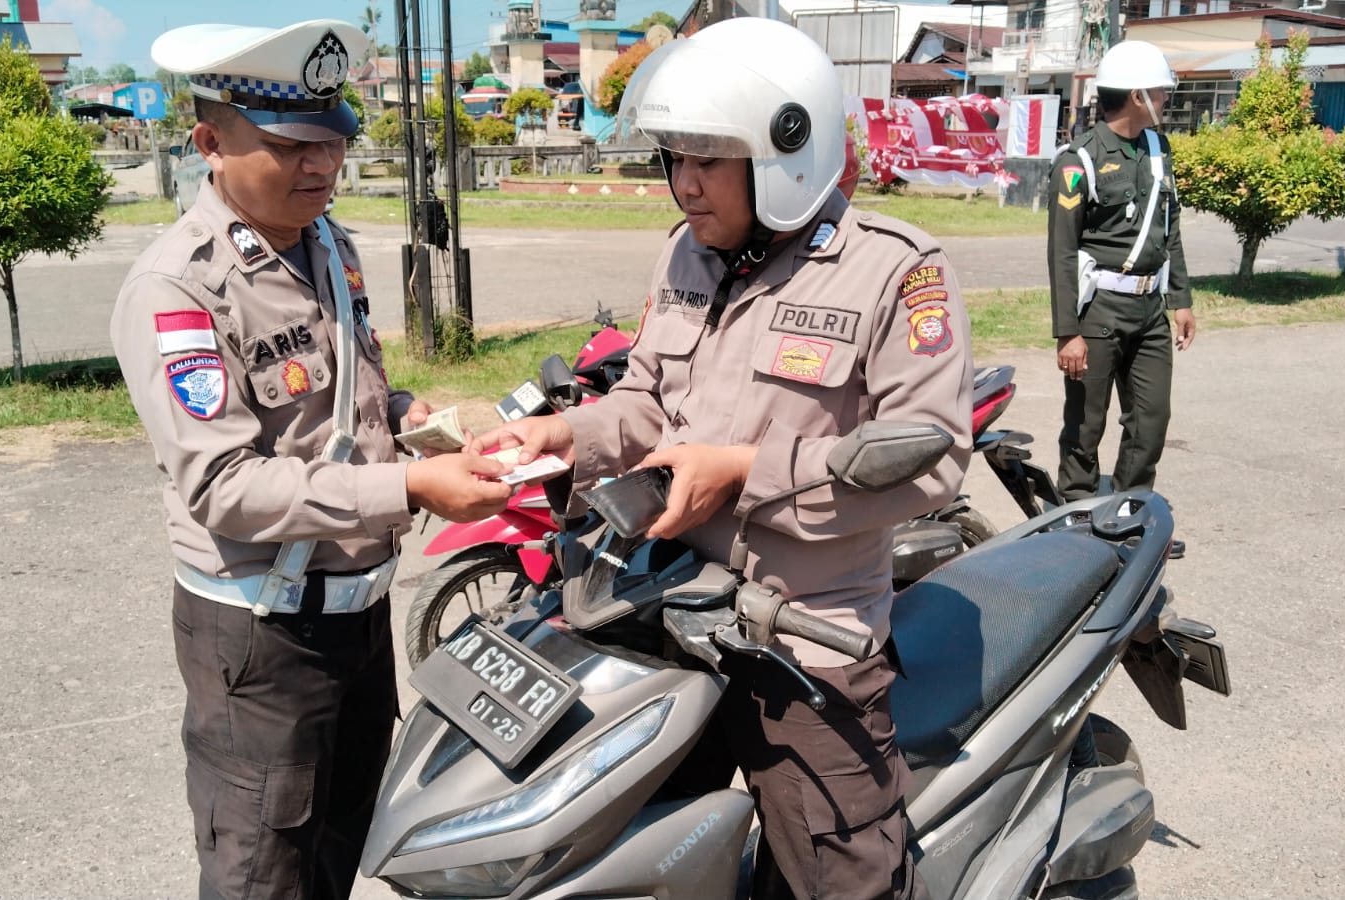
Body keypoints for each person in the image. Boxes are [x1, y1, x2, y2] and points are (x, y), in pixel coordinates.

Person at [472, 18, 972, 900]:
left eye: (708, 157)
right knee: (634, 864)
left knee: (844, 881)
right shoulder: (687, 252)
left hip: (805, 640)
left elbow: (931, 458)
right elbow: (647, 400)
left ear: (787, 155)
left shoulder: (894, 271)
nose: (684, 183)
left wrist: (744, 471)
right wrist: (570, 436)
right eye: (674, 156)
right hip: (670, 614)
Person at [109, 20, 512, 900]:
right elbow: (224, 486)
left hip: (358, 619)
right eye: (291, 146)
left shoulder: (328, 246)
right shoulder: (179, 287)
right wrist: (411, 484)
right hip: (264, 638)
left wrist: (418, 422)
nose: (322, 164)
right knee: (263, 872)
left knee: (338, 849)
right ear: (211, 144)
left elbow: (351, 399)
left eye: (332, 139)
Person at [1047, 40, 1196, 511]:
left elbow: (1168, 227)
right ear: (1137, 96)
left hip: (1150, 310)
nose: (1166, 99)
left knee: (1150, 420)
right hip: (1099, 312)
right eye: (1161, 91)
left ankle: (1130, 507)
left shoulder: (1158, 149)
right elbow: (1062, 251)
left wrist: (1181, 299)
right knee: (1085, 423)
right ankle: (1075, 511)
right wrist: (1067, 332)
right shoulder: (1078, 160)